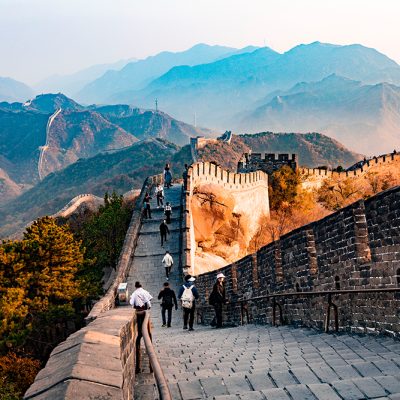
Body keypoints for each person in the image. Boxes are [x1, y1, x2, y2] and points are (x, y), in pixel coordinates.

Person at [129, 281, 153, 373]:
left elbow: (131, 303)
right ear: (141, 286)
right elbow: (148, 301)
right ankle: (151, 367)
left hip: (138, 313)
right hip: (145, 312)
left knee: (139, 334)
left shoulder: (134, 293)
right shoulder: (144, 292)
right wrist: (149, 307)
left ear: (135, 286)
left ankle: (138, 367)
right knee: (148, 334)